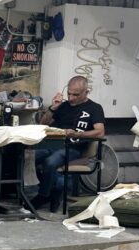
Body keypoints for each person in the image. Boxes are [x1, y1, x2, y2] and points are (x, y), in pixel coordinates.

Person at [34, 75, 105, 211]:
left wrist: (78, 134)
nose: (71, 98)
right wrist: (53, 108)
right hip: (53, 144)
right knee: (30, 157)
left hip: (74, 147)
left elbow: (100, 132)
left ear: (86, 92)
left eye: (76, 95)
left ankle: (43, 195)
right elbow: (42, 124)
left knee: (50, 162)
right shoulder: (64, 106)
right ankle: (56, 187)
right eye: (69, 94)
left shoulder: (94, 108)